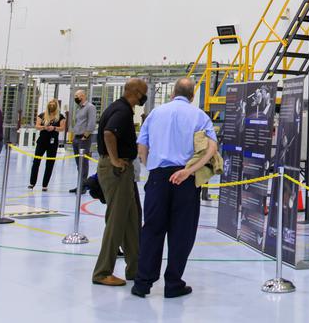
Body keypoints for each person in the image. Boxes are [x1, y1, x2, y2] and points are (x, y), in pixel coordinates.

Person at [131, 77, 218, 299]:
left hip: (158, 177)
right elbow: (211, 149)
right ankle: (173, 284)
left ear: (172, 94)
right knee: (182, 233)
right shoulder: (200, 116)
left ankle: (142, 283)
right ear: (191, 96)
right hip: (185, 179)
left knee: (151, 229)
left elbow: (142, 145)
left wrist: (150, 166)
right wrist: (190, 171)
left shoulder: (155, 114)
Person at [92, 78, 148, 287]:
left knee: (131, 219)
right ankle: (102, 271)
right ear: (135, 92)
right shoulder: (122, 111)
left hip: (120, 171)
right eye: (144, 92)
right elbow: (109, 133)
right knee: (116, 220)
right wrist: (115, 159)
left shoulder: (118, 107)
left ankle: (135, 268)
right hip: (117, 171)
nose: (145, 96)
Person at [28, 99, 66, 190]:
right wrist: (44, 127)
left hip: (53, 142)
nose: (51, 106)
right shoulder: (42, 115)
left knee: (50, 163)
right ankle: (32, 182)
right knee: (36, 161)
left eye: (53, 104)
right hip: (42, 141)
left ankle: (45, 185)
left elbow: (62, 128)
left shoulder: (61, 117)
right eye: (50, 104)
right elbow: (37, 126)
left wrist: (54, 128)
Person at [69, 89, 96, 193]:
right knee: (78, 164)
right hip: (76, 138)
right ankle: (80, 185)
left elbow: (92, 123)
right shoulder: (79, 108)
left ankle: (83, 186)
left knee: (83, 164)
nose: (76, 97)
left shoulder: (90, 107)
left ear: (83, 96)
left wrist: (86, 135)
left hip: (84, 138)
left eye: (77, 95)